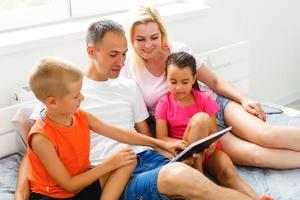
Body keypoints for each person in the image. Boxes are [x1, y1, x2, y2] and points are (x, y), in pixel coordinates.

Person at [15, 20, 255, 200]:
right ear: (91, 52)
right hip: (117, 172)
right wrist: (19, 196)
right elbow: (34, 153)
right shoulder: (64, 91)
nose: (121, 62)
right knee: (181, 178)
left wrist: (165, 146)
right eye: (113, 55)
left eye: (124, 54)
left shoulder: (128, 86)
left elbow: (141, 134)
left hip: (148, 157)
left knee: (200, 169)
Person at [121, 5, 300, 169]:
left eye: (154, 37)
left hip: (216, 104)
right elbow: (140, 119)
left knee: (265, 135)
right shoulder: (129, 70)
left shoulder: (179, 50)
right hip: (196, 129)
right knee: (256, 155)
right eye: (140, 39)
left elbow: (215, 82)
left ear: (162, 33)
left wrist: (244, 99)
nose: (148, 45)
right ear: (131, 40)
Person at [26, 56, 184, 200]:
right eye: (75, 96)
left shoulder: (80, 116)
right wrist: (109, 164)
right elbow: (68, 185)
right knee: (118, 161)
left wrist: (162, 144)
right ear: (52, 102)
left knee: (127, 158)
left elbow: (119, 134)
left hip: (81, 185)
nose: (82, 98)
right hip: (55, 195)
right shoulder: (41, 138)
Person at [155, 51, 273, 200]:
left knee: (228, 173)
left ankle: (255, 198)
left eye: (184, 82)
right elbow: (161, 138)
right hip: (185, 154)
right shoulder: (164, 103)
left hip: (207, 153)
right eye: (173, 82)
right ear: (166, 79)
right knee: (200, 119)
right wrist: (180, 143)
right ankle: (199, 176)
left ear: (194, 79)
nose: (178, 87)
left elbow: (213, 131)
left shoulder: (204, 99)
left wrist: (213, 142)